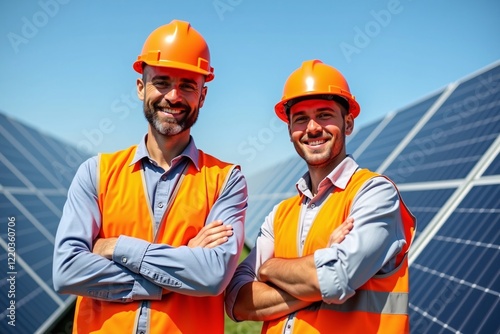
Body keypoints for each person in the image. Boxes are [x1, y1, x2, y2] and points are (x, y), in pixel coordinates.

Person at [52, 20, 248, 334]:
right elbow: (67, 271)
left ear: (203, 95)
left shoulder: (226, 180)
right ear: (141, 87)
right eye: (162, 82)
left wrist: (116, 247)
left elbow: (212, 276)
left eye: (187, 85)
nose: (173, 96)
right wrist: (181, 268)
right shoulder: (96, 173)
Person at [225, 59, 416, 333]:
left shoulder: (374, 194)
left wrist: (268, 268)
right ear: (290, 130)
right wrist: (320, 264)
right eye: (301, 118)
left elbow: (336, 279)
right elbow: (237, 301)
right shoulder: (280, 214)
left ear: (348, 123)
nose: (312, 128)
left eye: (325, 114)